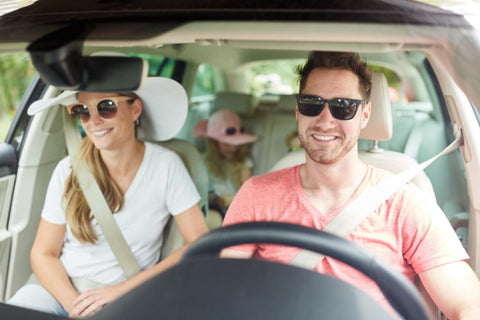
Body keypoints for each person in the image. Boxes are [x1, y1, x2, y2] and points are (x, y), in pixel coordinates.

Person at [222, 51, 480, 319]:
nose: (325, 120)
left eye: (343, 106)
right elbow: (219, 291)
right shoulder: (257, 195)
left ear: (365, 114)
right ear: (298, 111)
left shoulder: (405, 203)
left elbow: (467, 307)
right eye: (312, 103)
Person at [7, 77, 209, 318]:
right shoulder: (68, 169)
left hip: (127, 296)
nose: (93, 121)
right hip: (60, 291)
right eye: (83, 111)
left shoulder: (166, 166)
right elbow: (43, 253)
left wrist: (119, 291)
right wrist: (75, 305)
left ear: (135, 109)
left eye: (106, 107)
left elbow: (198, 242)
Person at [194, 109, 257, 217]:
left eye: (237, 143)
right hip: (208, 206)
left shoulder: (243, 162)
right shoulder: (202, 161)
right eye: (227, 144)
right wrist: (214, 199)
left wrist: (230, 201)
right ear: (214, 143)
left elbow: (248, 194)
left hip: (233, 209)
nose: (233, 147)